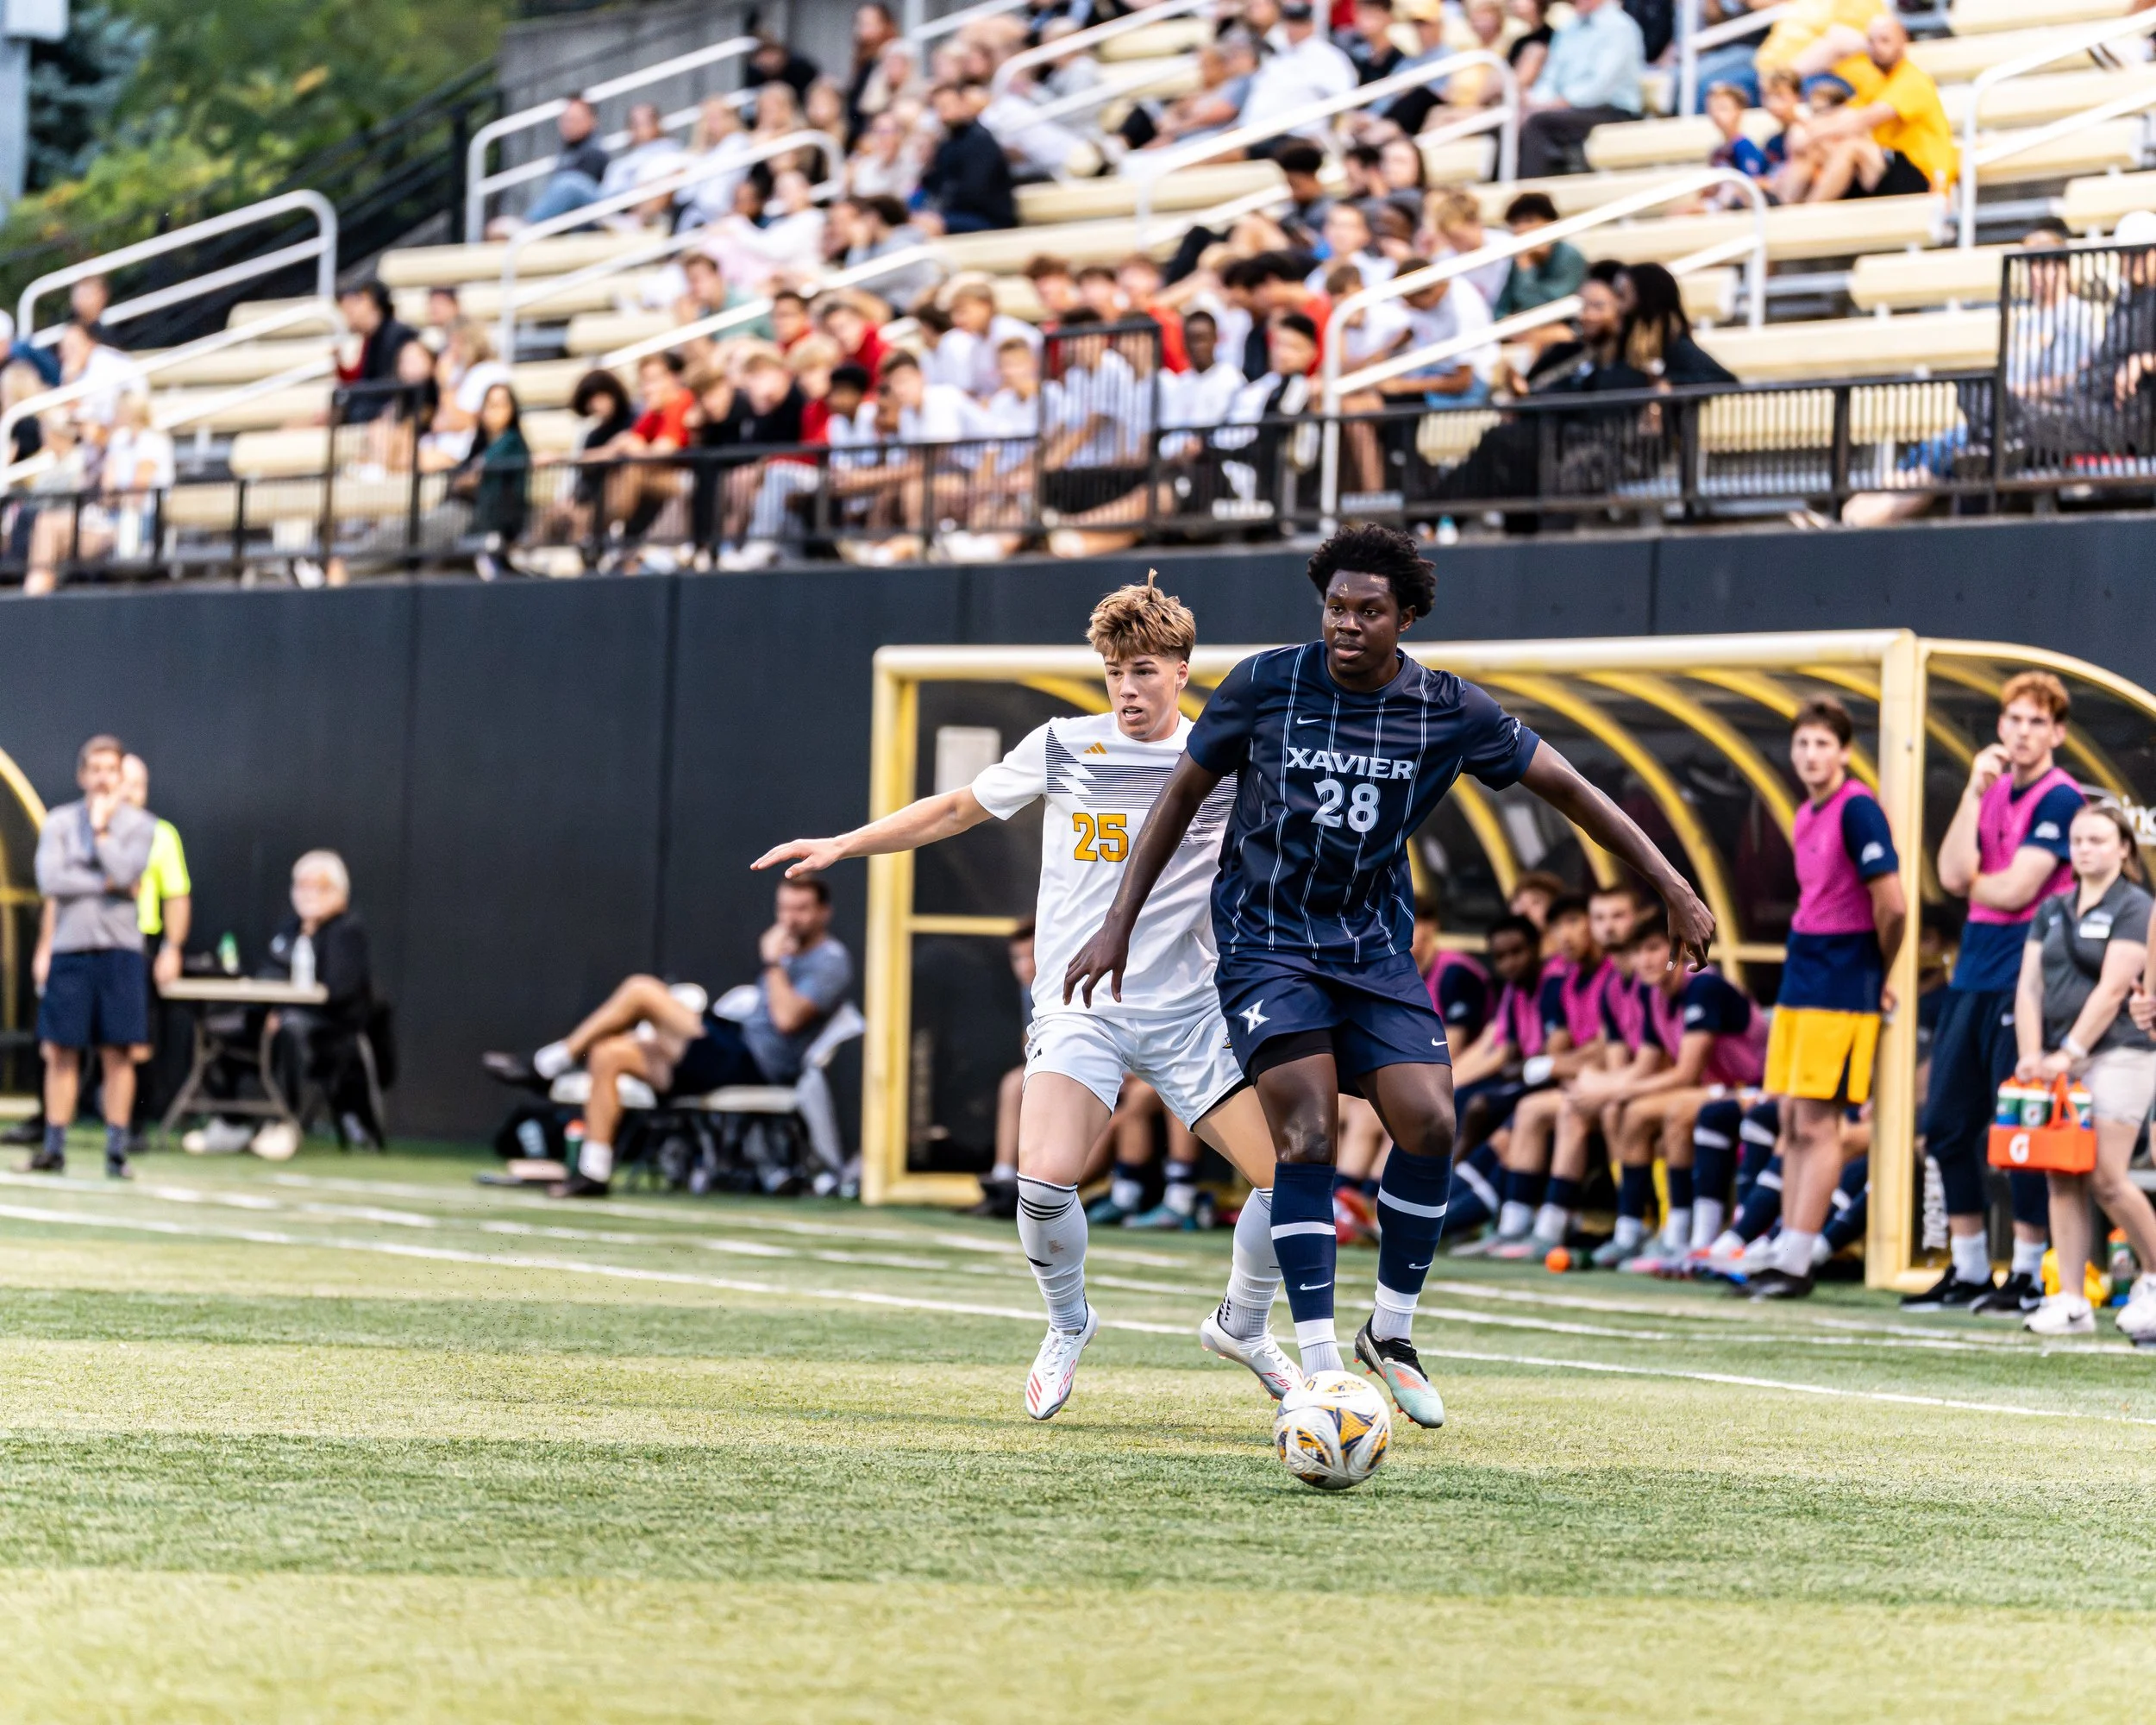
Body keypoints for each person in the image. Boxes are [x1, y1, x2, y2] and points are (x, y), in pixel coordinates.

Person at [1062, 525, 1714, 1427]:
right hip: (1266, 941)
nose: (1347, 624)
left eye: (1369, 610)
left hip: (1370, 947)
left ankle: (1392, 1331)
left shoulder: (1446, 706)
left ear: (1404, 617)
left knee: (1430, 1116)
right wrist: (1117, 924)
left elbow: (1569, 788)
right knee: (1307, 1127)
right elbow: (1178, 796)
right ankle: (1325, 1365)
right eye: (1336, 607)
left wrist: (1672, 884)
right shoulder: (1265, 682)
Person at [754, 580, 1299, 1418]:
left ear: (1181, 673)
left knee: (1290, 1179)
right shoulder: (1064, 745)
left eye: (1143, 670)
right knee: (1041, 1181)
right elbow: (955, 809)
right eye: (1114, 670)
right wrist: (843, 843)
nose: (1126, 688)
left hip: (1190, 1011)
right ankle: (1067, 1321)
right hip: (1082, 1004)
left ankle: (1243, 1323)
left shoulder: (1223, 761)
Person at [485, 875, 854, 1199]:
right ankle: (593, 1172)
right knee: (609, 1052)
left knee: (642, 990)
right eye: (785, 909)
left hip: (754, 1064)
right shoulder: (788, 954)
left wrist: (772, 963)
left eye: (802, 909)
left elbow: (788, 1021)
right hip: (727, 1049)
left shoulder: (829, 961)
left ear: (824, 912)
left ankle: (549, 1062)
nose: (791, 919)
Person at [1907, 671, 2084, 1314]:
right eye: (2014, 719)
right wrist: (1974, 791)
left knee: (2022, 1130)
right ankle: (1972, 1268)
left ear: (2058, 732)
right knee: (1946, 1125)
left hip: (2027, 982)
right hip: (1973, 976)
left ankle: (2031, 1274)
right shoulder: (1992, 790)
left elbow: (2013, 891)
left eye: (2037, 722)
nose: (2023, 732)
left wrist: (1974, 880)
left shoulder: (2062, 799)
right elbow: (1950, 871)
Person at [1746, 698, 1906, 1297]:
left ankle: (1797, 1260)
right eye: (1802, 744)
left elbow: (1893, 905)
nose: (1810, 755)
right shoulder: (1805, 811)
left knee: (1817, 1123)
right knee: (1789, 1115)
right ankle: (1786, 1247)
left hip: (1843, 972)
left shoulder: (1859, 809)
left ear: (1843, 751)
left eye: (1822, 744)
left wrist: (1884, 972)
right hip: (1805, 968)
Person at [2014, 802, 2156, 1337]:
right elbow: (2029, 985)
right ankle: (2071, 1298)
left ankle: (2154, 1275)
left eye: (2097, 840)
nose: (2085, 849)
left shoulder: (2136, 906)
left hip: (2121, 1050)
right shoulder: (2053, 908)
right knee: (2060, 1171)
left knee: (2105, 1173)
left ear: (2124, 847)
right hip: (2056, 1057)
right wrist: (2033, 1054)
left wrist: (2066, 1053)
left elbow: (2115, 987)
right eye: (2077, 841)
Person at [30, 736, 154, 1180]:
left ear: (122, 777)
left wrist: (101, 834)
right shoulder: (59, 822)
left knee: (118, 1054)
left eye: (111, 769)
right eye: (95, 768)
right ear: (82, 774)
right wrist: (104, 882)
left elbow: (126, 872)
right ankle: (53, 1147)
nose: (103, 777)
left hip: (120, 953)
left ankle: (116, 1151)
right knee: (61, 1051)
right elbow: (50, 881)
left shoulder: (141, 825)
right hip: (70, 951)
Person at [256, 850, 380, 1156]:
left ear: (338, 892)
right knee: (235, 1027)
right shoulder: (290, 927)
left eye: (318, 887)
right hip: (287, 1017)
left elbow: (340, 990)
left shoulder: (346, 930)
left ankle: (285, 1121)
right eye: (301, 886)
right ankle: (230, 1119)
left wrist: (287, 1011)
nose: (307, 895)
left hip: (332, 1029)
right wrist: (274, 1008)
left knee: (290, 1029)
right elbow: (270, 972)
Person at [1796, 15, 1953, 201]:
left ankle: (1807, 215)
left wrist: (1813, 134)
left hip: (1923, 173)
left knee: (1852, 147)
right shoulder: (1875, 82)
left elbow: (1863, 119)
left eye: (1885, 40)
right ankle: (1781, 210)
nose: (1876, 47)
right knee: (1814, 150)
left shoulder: (1914, 80)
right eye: (1871, 41)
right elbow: (1846, 115)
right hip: (1889, 171)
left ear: (1903, 41)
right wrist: (1805, 130)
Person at [1517, 0, 1645, 178]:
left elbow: (1600, 85)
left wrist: (1556, 104)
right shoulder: (1568, 29)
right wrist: (1534, 103)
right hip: (1568, 109)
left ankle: (1531, 196)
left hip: (1613, 110)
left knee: (1538, 124)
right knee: (1509, 123)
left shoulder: (1620, 27)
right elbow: (1550, 77)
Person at [1238, 0, 1357, 139]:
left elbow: (1345, 101)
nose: (1293, 28)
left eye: (1299, 23)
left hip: (1296, 135)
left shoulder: (1327, 56)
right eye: (1289, 22)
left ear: (1311, 24)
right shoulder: (1279, 54)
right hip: (1256, 131)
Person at [920, 84, 1018, 233]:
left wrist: (940, 211)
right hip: (955, 213)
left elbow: (975, 191)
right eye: (939, 108)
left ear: (964, 104)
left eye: (947, 106)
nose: (943, 113)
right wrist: (927, 165)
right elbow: (935, 185)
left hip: (988, 218)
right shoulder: (946, 144)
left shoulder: (981, 140)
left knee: (926, 226)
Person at [335, 281, 419, 426]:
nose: (348, 317)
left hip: (385, 422)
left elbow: (393, 389)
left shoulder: (398, 336)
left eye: (351, 310)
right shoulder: (370, 340)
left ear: (368, 302)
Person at [520, 97, 611, 229]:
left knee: (570, 183)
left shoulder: (595, 153)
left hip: (588, 221)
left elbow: (577, 199)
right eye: (566, 119)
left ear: (592, 120)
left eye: (574, 119)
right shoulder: (569, 150)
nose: (569, 124)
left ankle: (528, 227)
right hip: (571, 221)